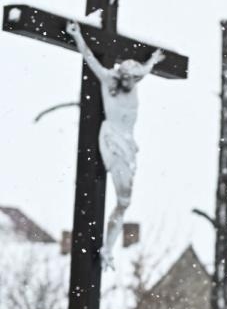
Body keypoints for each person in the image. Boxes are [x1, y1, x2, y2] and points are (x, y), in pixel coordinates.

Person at [65, 20, 164, 267]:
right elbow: (90, 58)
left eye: (135, 78)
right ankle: (106, 250)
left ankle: (108, 248)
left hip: (129, 144)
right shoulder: (109, 81)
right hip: (113, 140)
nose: (132, 82)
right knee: (122, 201)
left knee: (124, 203)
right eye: (129, 77)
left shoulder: (135, 83)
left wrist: (152, 61)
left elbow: (146, 70)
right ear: (122, 75)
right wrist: (78, 36)